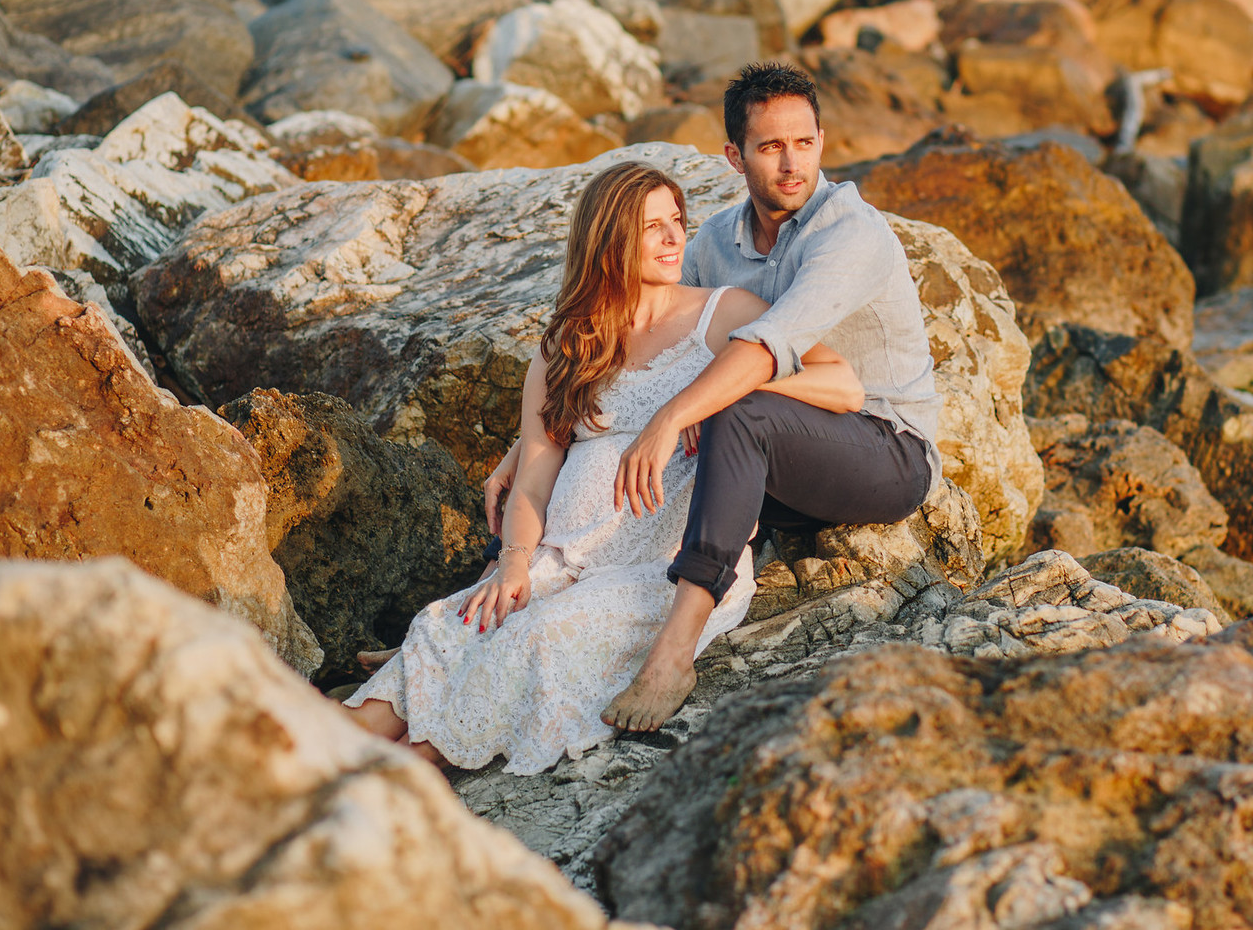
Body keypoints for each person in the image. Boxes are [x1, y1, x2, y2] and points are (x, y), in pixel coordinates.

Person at [342, 160, 865, 773]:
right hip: (560, 558)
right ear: (610, 239)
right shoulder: (567, 343)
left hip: (658, 569)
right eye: (653, 228)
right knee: (443, 629)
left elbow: (842, 384)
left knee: (534, 640)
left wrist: (727, 396)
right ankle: (291, 763)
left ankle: (389, 781)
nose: (676, 239)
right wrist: (512, 564)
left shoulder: (721, 314)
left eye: (678, 221)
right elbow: (534, 476)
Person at [481, 61, 941, 736]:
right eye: (770, 147)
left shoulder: (849, 234)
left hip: (879, 446)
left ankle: (676, 647)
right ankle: (476, 625)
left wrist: (675, 417)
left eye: (805, 143)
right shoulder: (716, 243)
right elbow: (643, 360)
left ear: (822, 141)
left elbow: (765, 348)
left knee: (725, 411)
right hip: (763, 454)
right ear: (735, 156)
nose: (792, 164)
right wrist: (529, 442)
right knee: (622, 453)